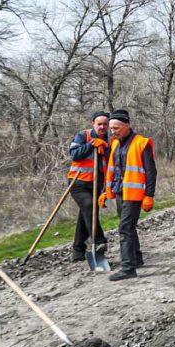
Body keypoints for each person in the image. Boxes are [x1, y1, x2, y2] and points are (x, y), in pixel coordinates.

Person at [98, 109, 157, 281]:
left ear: (127, 125)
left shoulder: (142, 143)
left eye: (116, 128)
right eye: (111, 128)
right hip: (120, 191)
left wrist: (149, 195)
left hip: (135, 194)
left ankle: (128, 267)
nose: (113, 131)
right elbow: (112, 169)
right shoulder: (115, 144)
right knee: (128, 227)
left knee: (124, 228)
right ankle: (136, 258)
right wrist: (104, 191)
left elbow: (151, 172)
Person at [67, 111, 110, 262]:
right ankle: (99, 241)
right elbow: (74, 155)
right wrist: (91, 144)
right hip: (78, 183)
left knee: (85, 215)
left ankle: (78, 251)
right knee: (88, 206)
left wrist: (106, 190)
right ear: (93, 123)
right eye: (100, 124)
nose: (102, 127)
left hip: (97, 184)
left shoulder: (110, 141)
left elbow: (110, 165)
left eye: (105, 124)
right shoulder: (82, 136)